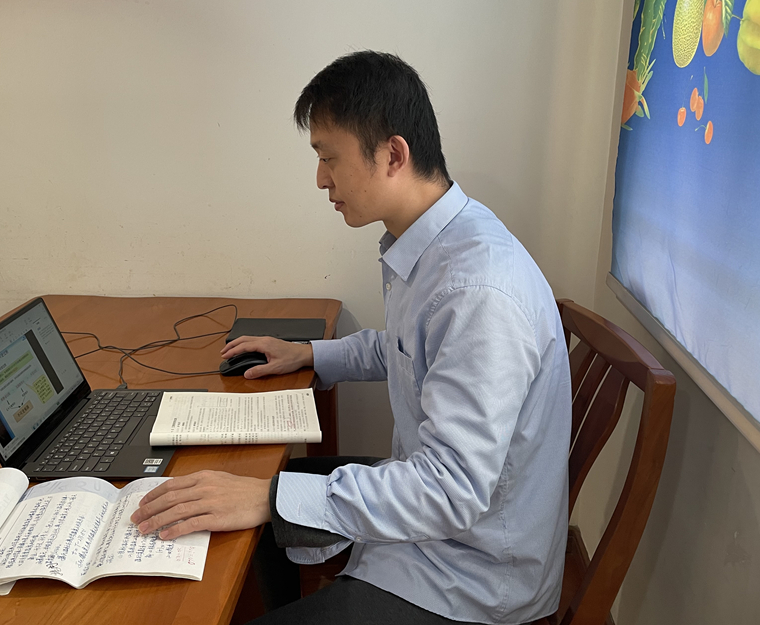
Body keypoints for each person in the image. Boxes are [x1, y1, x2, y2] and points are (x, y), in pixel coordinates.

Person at [131, 51, 572, 624]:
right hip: (437, 531)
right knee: (245, 498)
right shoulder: (437, 244)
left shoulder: (477, 289)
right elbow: (407, 348)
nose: (321, 179)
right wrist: (310, 354)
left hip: (472, 576)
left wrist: (269, 499)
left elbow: (450, 491)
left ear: (393, 155)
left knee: (262, 497)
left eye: (328, 157)